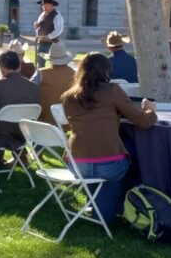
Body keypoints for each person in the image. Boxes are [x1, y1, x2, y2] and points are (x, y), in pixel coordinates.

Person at [62, 52, 157, 223]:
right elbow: (143, 123)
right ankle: (116, 211)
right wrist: (150, 110)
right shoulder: (113, 90)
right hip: (108, 164)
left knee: (110, 164)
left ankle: (101, 205)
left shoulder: (68, 96)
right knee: (133, 160)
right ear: (106, 71)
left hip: (76, 164)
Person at [37, 42, 75, 127]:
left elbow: (30, 88)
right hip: (68, 121)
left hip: (45, 120)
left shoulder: (41, 73)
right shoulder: (74, 74)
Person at [32, 0, 64, 67]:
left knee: (54, 62)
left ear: (51, 5)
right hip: (42, 42)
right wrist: (36, 26)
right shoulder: (42, 14)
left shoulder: (57, 16)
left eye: (45, 5)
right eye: (43, 5)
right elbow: (38, 27)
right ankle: (40, 77)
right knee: (40, 62)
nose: (44, 7)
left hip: (52, 43)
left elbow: (59, 29)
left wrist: (48, 36)